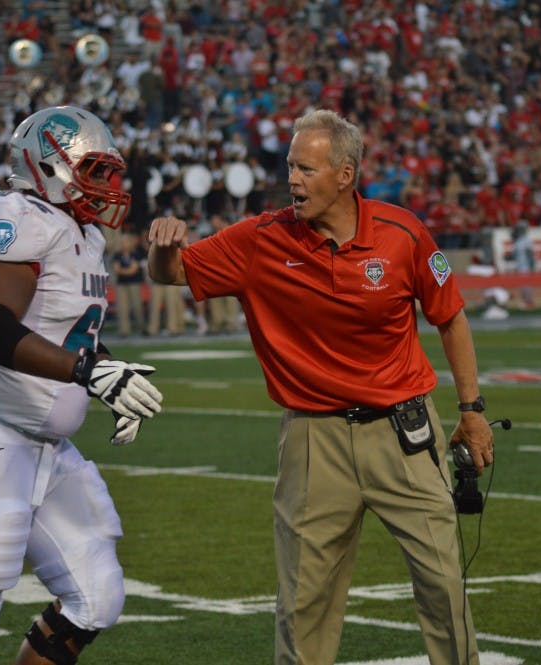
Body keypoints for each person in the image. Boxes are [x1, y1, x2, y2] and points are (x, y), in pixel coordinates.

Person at [149, 109, 493, 665]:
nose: (292, 180)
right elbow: (171, 274)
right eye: (290, 166)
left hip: (404, 431)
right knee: (304, 602)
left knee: (443, 585)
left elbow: (450, 315)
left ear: (345, 174)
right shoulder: (261, 239)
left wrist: (472, 410)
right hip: (313, 440)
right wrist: (163, 246)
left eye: (306, 169)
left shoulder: (404, 232)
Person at [0, 105, 165, 664]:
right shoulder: (18, 215)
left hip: (42, 441)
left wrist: (110, 376)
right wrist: (89, 371)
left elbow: (74, 336)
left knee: (96, 597)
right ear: (51, 165)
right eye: (95, 171)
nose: (108, 186)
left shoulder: (82, 233)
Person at [111, 230, 146, 336]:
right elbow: (116, 269)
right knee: (122, 308)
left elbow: (133, 270)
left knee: (137, 306)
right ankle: (124, 330)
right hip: (121, 284)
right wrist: (126, 271)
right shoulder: (117, 255)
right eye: (122, 242)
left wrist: (123, 271)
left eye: (126, 241)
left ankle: (141, 327)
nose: (124, 244)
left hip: (134, 283)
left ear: (130, 242)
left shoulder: (135, 254)